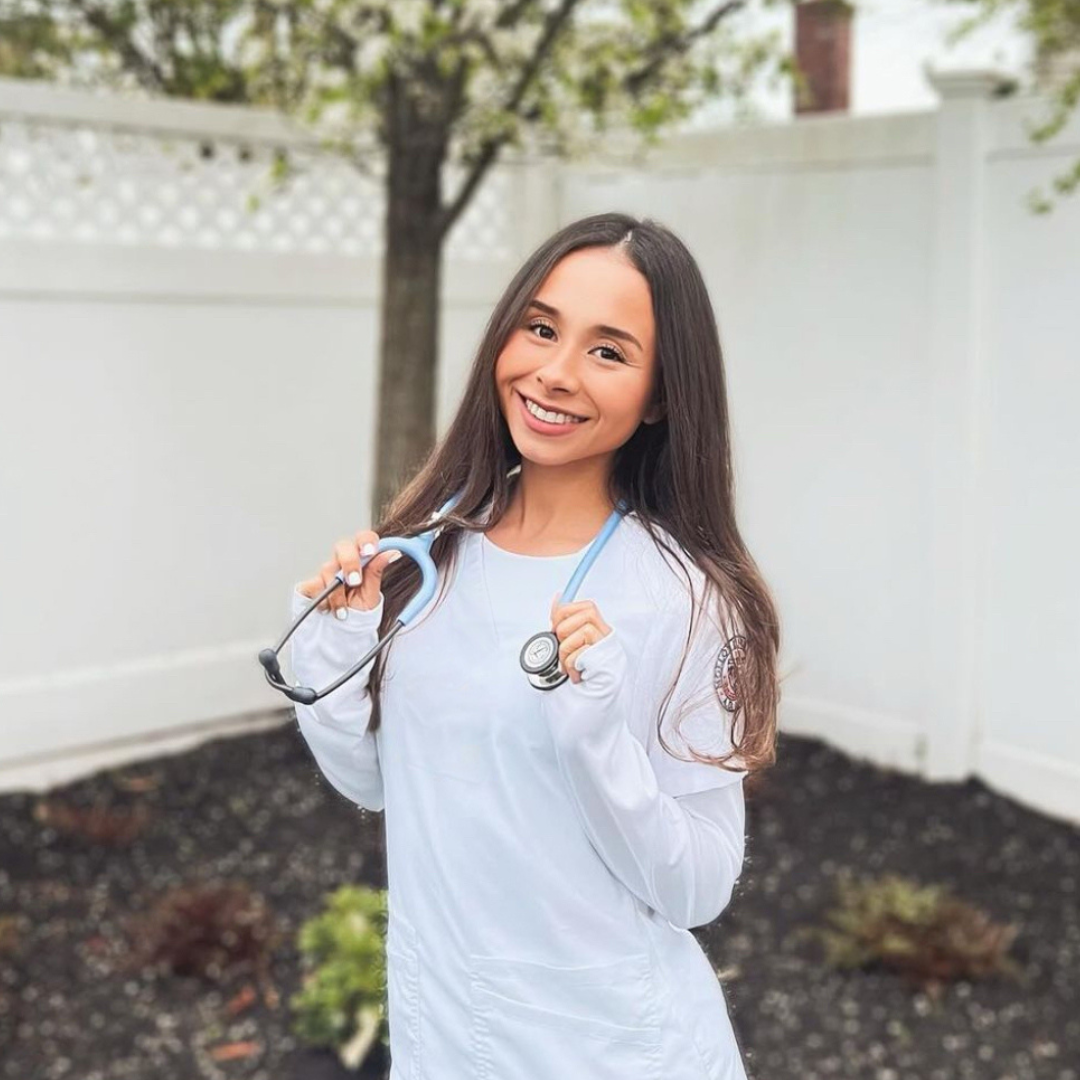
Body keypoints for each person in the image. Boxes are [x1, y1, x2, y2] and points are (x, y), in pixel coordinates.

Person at [289, 212, 781, 1080]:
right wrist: (341, 637)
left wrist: (596, 739)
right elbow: (375, 779)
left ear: (661, 394)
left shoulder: (684, 595)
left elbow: (698, 889)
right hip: (445, 1035)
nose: (554, 373)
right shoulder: (432, 549)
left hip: (612, 1050)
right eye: (542, 328)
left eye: (608, 351)